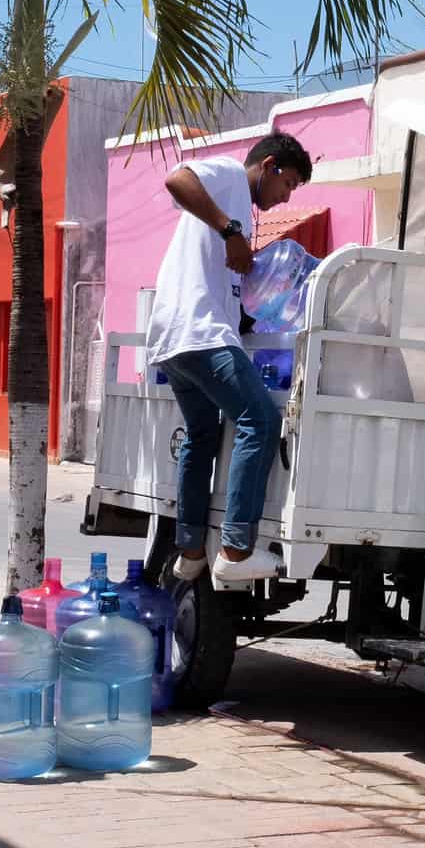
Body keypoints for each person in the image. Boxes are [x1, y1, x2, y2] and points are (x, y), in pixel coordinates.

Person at [146, 131, 312, 582]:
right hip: (199, 333)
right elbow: (176, 179)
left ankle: (192, 550)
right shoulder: (230, 177)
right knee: (259, 420)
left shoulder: (238, 206)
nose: (284, 198)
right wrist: (231, 230)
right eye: (288, 185)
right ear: (271, 164)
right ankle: (236, 552)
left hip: (176, 337)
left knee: (203, 436)